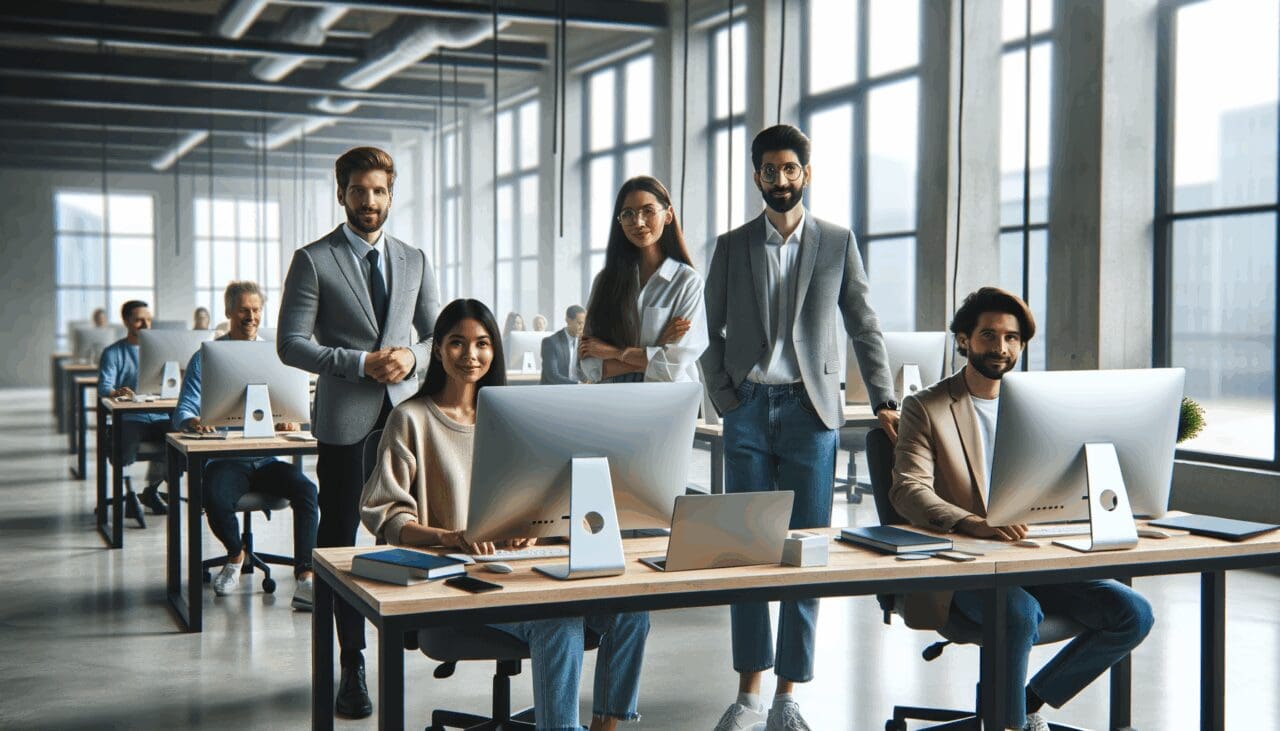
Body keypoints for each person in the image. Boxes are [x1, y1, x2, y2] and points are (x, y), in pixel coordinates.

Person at [361, 299, 649, 731]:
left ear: (495, 350)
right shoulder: (410, 419)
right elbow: (388, 517)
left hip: (525, 570)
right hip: (459, 582)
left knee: (632, 612)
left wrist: (536, 529)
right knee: (560, 621)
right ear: (437, 349)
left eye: (482, 343)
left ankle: (604, 726)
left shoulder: (516, 414)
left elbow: (548, 499)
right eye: (457, 343)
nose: (470, 355)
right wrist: (452, 536)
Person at [701, 125, 898, 731]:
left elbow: (864, 325)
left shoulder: (836, 242)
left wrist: (886, 398)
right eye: (769, 170)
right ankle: (748, 696)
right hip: (749, 411)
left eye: (790, 169)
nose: (780, 180)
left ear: (805, 174)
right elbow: (710, 337)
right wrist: (729, 401)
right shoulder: (732, 246)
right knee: (746, 552)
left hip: (812, 414)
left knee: (807, 552)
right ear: (756, 175)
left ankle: (788, 696)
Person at [889, 287, 1154, 731]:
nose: (1001, 347)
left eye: (1012, 338)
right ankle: (1008, 722)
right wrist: (974, 523)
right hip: (963, 567)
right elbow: (908, 490)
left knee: (1133, 613)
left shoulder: (1043, 404)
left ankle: (1019, 704)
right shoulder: (927, 407)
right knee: (1016, 611)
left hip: (1033, 554)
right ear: (963, 341)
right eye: (989, 335)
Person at [277, 146, 440, 719]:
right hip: (345, 423)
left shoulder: (414, 258)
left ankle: (414, 627)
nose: (369, 202)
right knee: (342, 539)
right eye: (358, 191)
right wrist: (359, 362)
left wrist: (412, 359)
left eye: (379, 191)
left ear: (391, 195)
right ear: (341, 193)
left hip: (405, 418)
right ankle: (352, 662)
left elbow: (437, 335)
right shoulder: (313, 260)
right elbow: (291, 344)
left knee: (409, 530)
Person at [173, 281, 319, 610]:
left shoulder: (277, 355)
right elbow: (184, 409)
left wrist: (293, 420)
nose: (251, 316)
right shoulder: (206, 358)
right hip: (227, 460)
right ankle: (235, 554)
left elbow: (295, 407)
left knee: (307, 491)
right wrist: (194, 421)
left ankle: (305, 576)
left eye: (256, 310)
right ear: (228, 312)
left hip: (267, 459)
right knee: (214, 495)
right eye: (243, 310)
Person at [579, 176, 708, 384]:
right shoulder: (604, 281)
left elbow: (672, 367)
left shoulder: (687, 282)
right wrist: (657, 347)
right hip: (611, 402)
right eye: (628, 214)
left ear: (668, 215)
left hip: (667, 402)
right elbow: (588, 366)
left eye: (648, 211)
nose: (637, 222)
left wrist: (614, 353)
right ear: (619, 221)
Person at [97, 299, 168, 516]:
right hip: (129, 416)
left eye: (148, 320)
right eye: (139, 320)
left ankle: (151, 490)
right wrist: (115, 393)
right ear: (126, 321)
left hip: (157, 415)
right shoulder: (113, 352)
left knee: (176, 441)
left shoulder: (161, 351)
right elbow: (104, 386)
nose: (145, 325)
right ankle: (127, 493)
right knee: (124, 446)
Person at [540, 305, 585, 385]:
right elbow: (552, 375)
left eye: (584, 324)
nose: (582, 327)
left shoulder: (582, 342)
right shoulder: (551, 342)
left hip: (578, 390)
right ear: (568, 320)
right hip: (555, 390)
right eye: (579, 323)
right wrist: (577, 384)